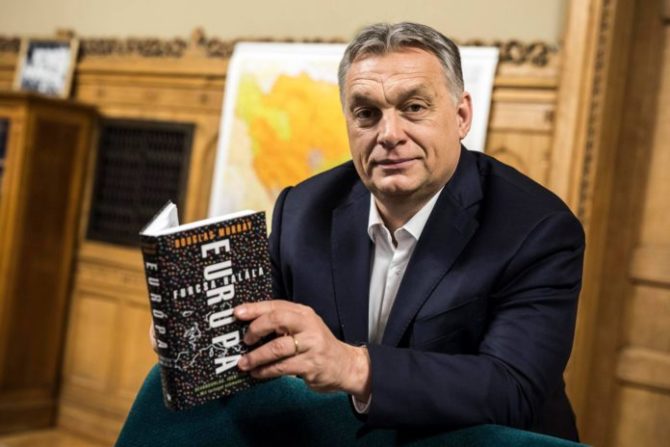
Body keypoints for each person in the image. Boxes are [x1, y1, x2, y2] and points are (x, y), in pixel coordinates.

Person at [232, 22, 584, 441]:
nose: (389, 135)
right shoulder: (301, 208)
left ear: (461, 116)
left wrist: (353, 366)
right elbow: (257, 337)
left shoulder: (538, 229)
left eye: (414, 108)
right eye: (367, 114)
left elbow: (513, 390)